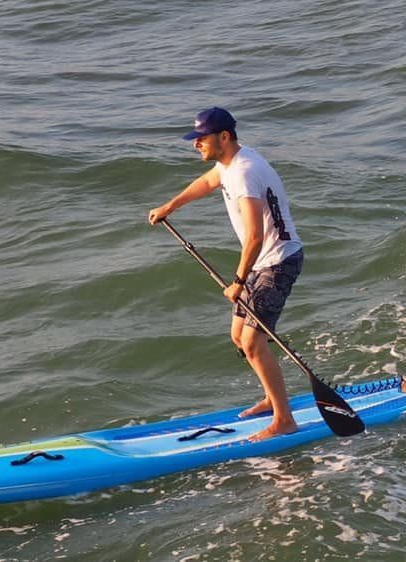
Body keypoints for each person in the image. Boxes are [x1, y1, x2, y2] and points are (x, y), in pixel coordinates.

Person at [148, 107, 304, 441]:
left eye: (201, 139)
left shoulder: (245, 172)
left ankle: (284, 419)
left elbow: (255, 237)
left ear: (224, 137)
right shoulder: (231, 164)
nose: (196, 145)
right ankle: (271, 398)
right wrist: (169, 207)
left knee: (252, 342)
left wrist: (237, 282)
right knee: (239, 336)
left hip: (277, 262)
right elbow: (207, 181)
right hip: (263, 262)